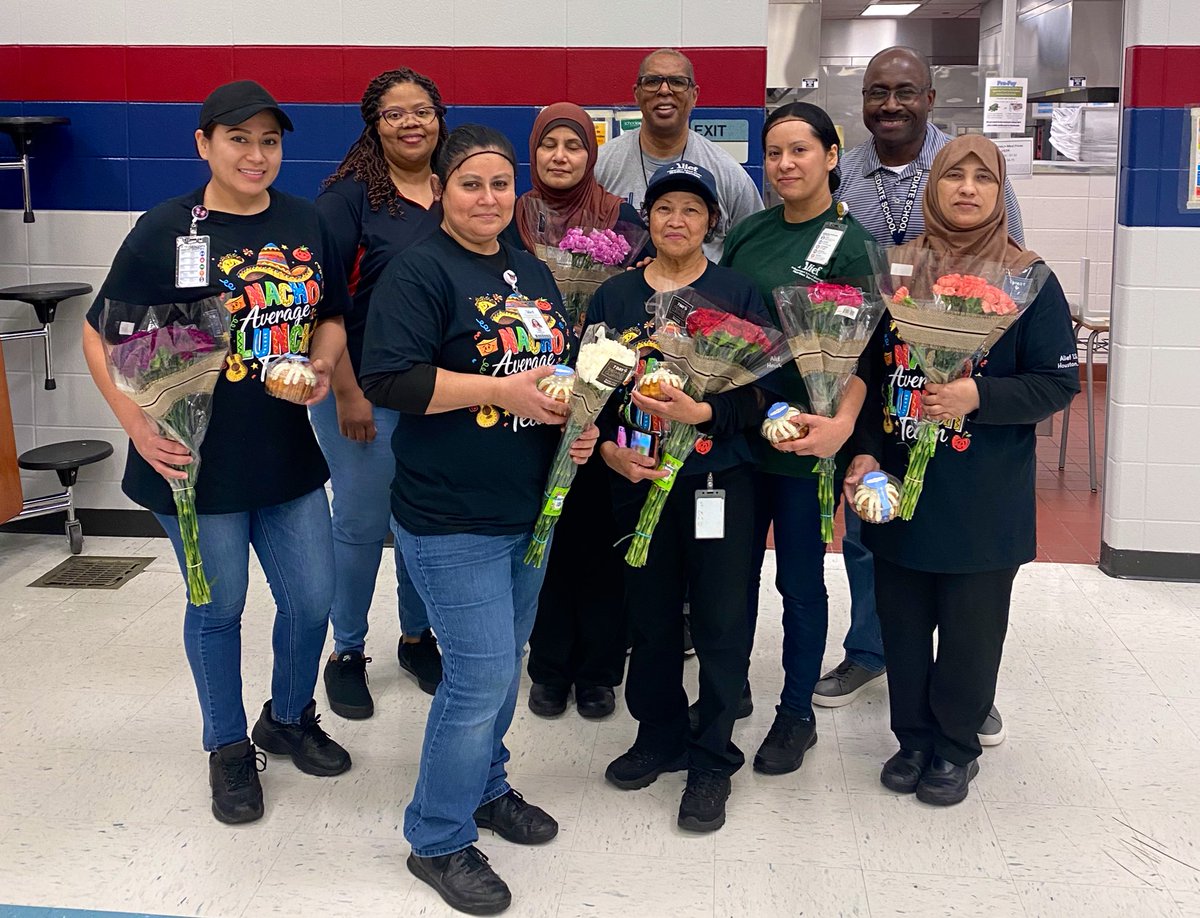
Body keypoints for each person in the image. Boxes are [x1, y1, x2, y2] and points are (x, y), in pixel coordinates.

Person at [81, 80, 352, 825]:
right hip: (191, 462)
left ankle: (289, 715)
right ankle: (229, 747)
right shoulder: (166, 227)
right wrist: (136, 427)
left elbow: (329, 316)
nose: (256, 154)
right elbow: (99, 334)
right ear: (204, 144)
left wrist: (323, 367)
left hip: (285, 455)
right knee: (219, 606)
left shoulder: (304, 221)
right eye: (239, 139)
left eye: (269, 140)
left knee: (313, 600)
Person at [360, 125, 598, 916]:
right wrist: (499, 393)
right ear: (446, 189)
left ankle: (487, 788)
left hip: (528, 507)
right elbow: (391, 380)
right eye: (472, 185)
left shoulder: (529, 269)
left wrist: (577, 422)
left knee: (506, 660)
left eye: (501, 185)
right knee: (480, 674)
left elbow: (553, 373)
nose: (489, 199)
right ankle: (436, 835)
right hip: (448, 513)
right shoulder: (418, 271)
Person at [844, 135, 1078, 806]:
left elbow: (1057, 383)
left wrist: (979, 395)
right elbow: (865, 372)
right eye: (955, 176)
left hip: (983, 496)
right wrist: (862, 451)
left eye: (984, 178)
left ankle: (955, 747)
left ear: (1000, 191)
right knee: (904, 624)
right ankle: (912, 739)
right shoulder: (901, 272)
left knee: (972, 632)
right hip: (899, 492)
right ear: (934, 186)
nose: (968, 188)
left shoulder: (1027, 275)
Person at [828, 46, 1024, 741]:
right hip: (869, 365)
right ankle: (871, 650)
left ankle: (967, 691)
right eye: (877, 92)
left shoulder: (969, 167)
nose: (890, 104)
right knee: (872, 516)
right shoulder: (843, 169)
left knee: (958, 537)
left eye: (905, 91)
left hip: (955, 381)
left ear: (931, 98)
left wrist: (974, 376)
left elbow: (1012, 283)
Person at [594, 161, 764, 834]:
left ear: (711, 223)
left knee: (721, 621)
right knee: (651, 618)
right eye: (665, 208)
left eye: (692, 210)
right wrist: (609, 448)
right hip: (638, 482)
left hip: (716, 478)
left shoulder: (736, 292)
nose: (676, 220)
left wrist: (705, 417)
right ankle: (658, 734)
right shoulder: (614, 298)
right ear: (648, 218)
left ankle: (713, 756)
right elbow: (598, 390)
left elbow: (762, 395)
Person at [720, 102, 873, 775]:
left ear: (831, 156)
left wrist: (839, 428)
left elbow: (868, 354)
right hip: (740, 435)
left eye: (800, 151)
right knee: (732, 574)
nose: (784, 164)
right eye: (774, 152)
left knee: (802, 582)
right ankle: (728, 693)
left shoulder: (854, 244)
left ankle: (796, 714)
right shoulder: (751, 232)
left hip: (808, 440)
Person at [313, 68, 448, 719]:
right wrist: (345, 392)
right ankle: (347, 650)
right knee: (363, 524)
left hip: (437, 396)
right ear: (375, 124)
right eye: (395, 114)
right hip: (361, 393)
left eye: (421, 110)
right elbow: (322, 303)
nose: (411, 123)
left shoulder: (458, 191)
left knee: (423, 520)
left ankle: (418, 638)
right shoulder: (349, 200)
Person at [510, 102, 645, 720]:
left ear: (591, 155)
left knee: (599, 533)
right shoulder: (513, 216)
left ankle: (599, 670)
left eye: (573, 145)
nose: (560, 156)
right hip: (535, 394)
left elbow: (638, 293)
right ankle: (548, 665)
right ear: (533, 151)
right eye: (548, 145)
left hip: (608, 395)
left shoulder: (620, 217)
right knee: (548, 533)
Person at [594, 48, 763, 260]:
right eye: (652, 81)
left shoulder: (728, 174)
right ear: (636, 93)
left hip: (703, 293)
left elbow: (756, 251)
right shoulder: (601, 166)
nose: (664, 90)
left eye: (677, 82)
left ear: (694, 96)